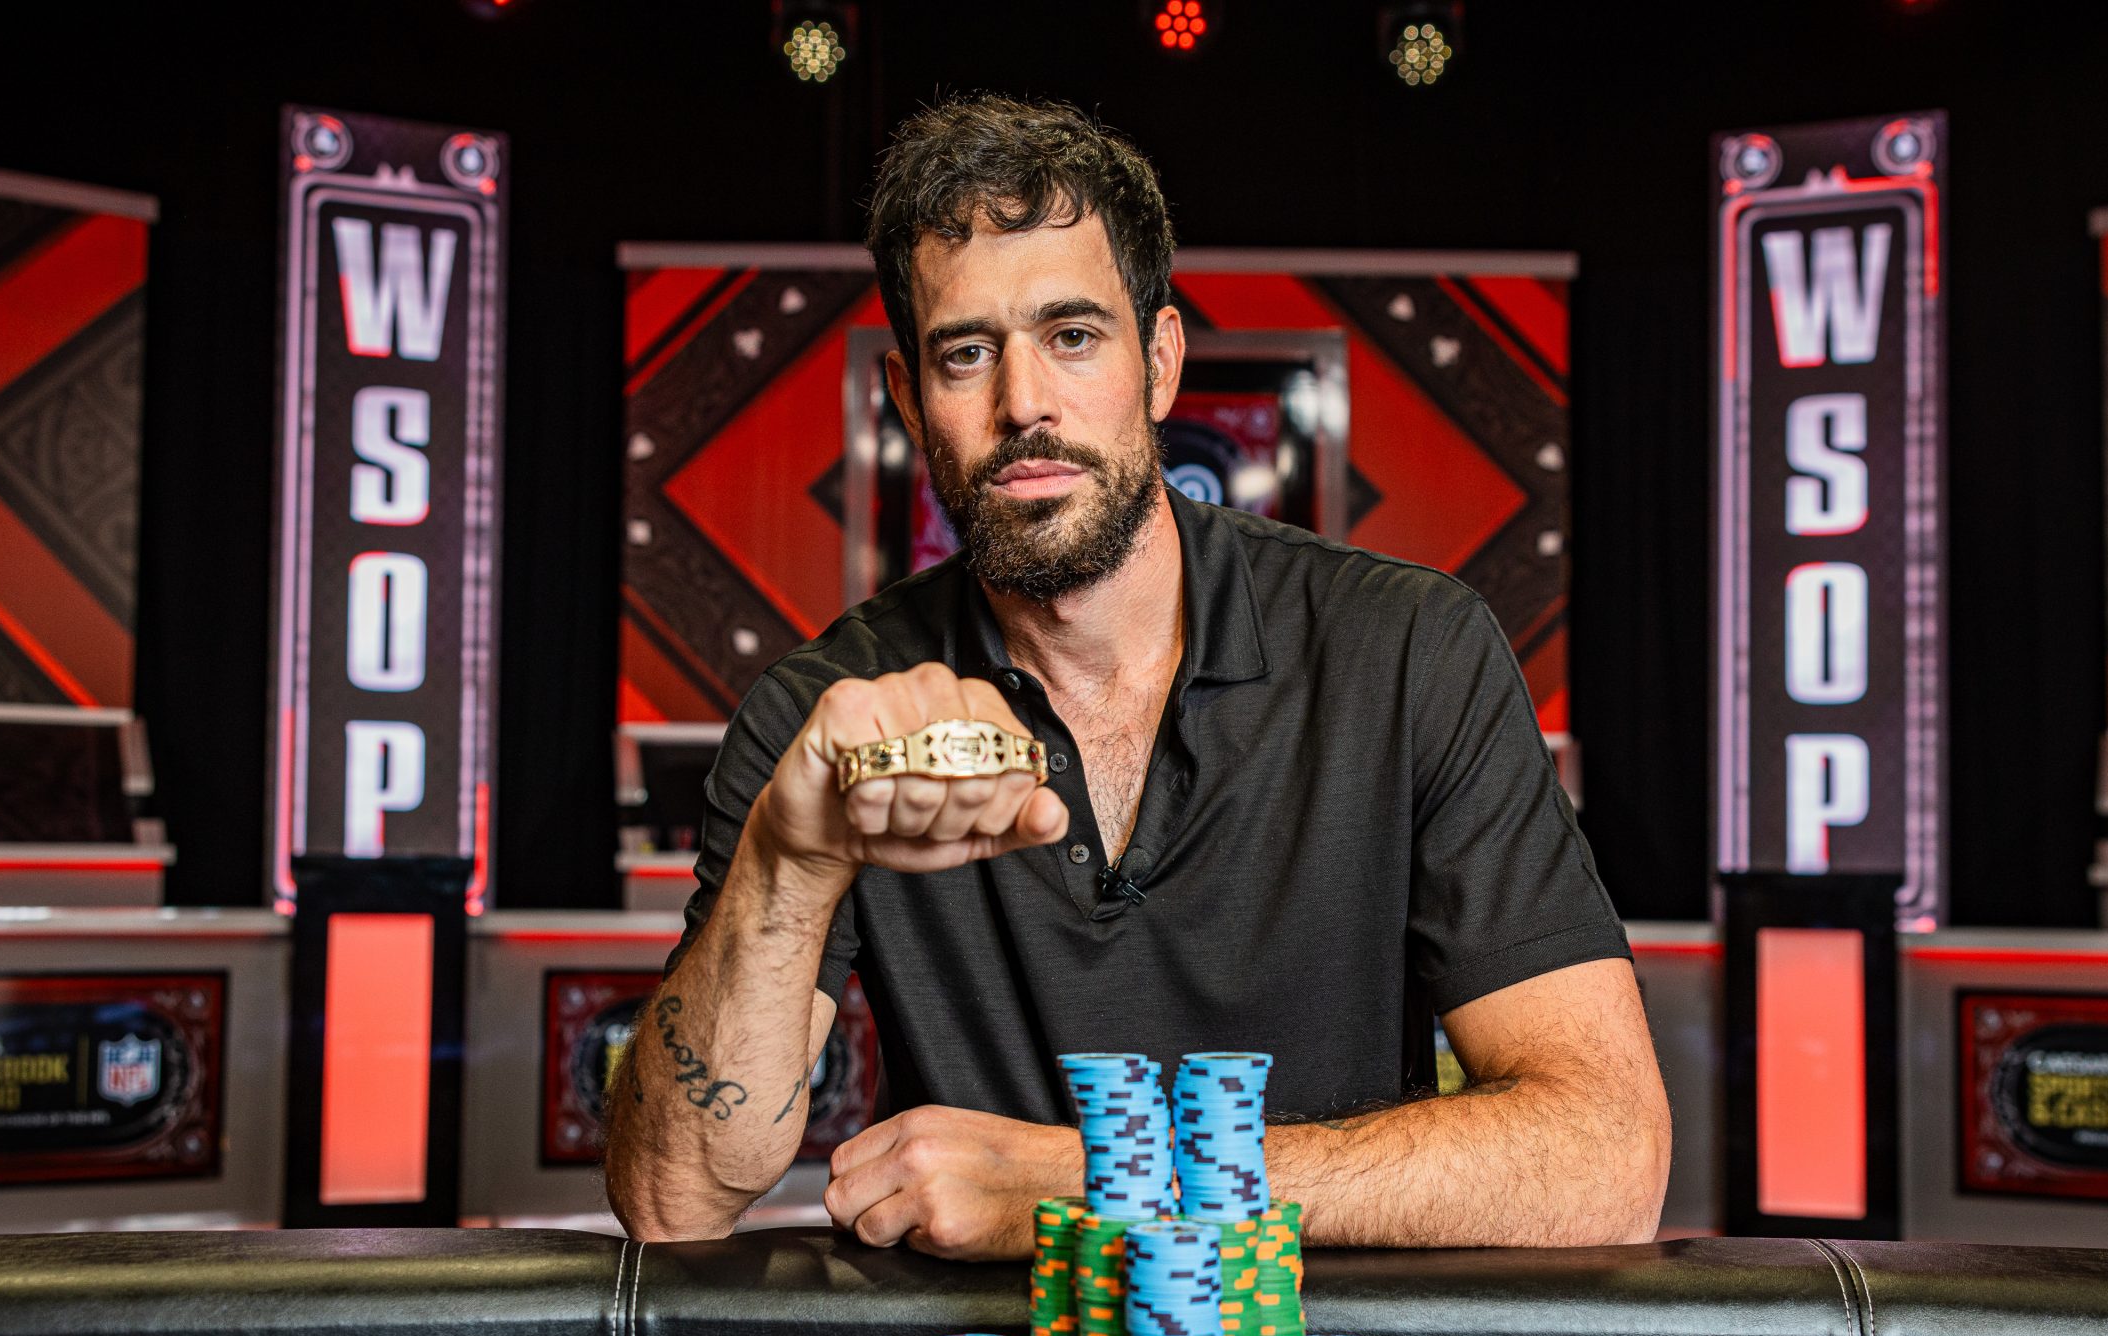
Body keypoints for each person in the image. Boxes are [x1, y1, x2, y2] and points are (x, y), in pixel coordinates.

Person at [606, 95, 1669, 1259]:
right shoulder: (829, 715)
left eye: (1072, 336)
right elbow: (673, 1199)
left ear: (1159, 364)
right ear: (909, 403)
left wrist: (1094, 1182)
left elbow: (1605, 1155)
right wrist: (788, 862)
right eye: (967, 353)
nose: (1024, 403)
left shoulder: (1411, 651)